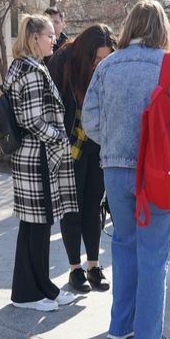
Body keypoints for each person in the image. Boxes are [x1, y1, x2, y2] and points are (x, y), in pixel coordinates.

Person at [82, 0, 170, 339]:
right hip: (157, 171)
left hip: (114, 169)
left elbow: (90, 120)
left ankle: (121, 325)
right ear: (162, 27)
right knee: (154, 253)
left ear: (129, 25)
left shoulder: (108, 65)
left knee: (123, 246)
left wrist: (113, 143)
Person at [6, 14, 78, 312]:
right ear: (34, 37)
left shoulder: (24, 66)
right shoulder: (32, 71)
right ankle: (33, 293)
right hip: (38, 157)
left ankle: (36, 289)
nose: (54, 39)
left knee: (33, 226)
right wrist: (60, 138)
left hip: (32, 155)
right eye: (50, 35)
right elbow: (32, 120)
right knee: (37, 227)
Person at [46, 23, 113, 294]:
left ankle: (93, 266)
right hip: (69, 145)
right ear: (85, 53)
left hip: (98, 144)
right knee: (72, 208)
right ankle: (75, 268)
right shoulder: (63, 61)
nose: (100, 64)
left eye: (106, 58)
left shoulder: (108, 67)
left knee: (94, 205)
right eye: (96, 58)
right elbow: (52, 106)